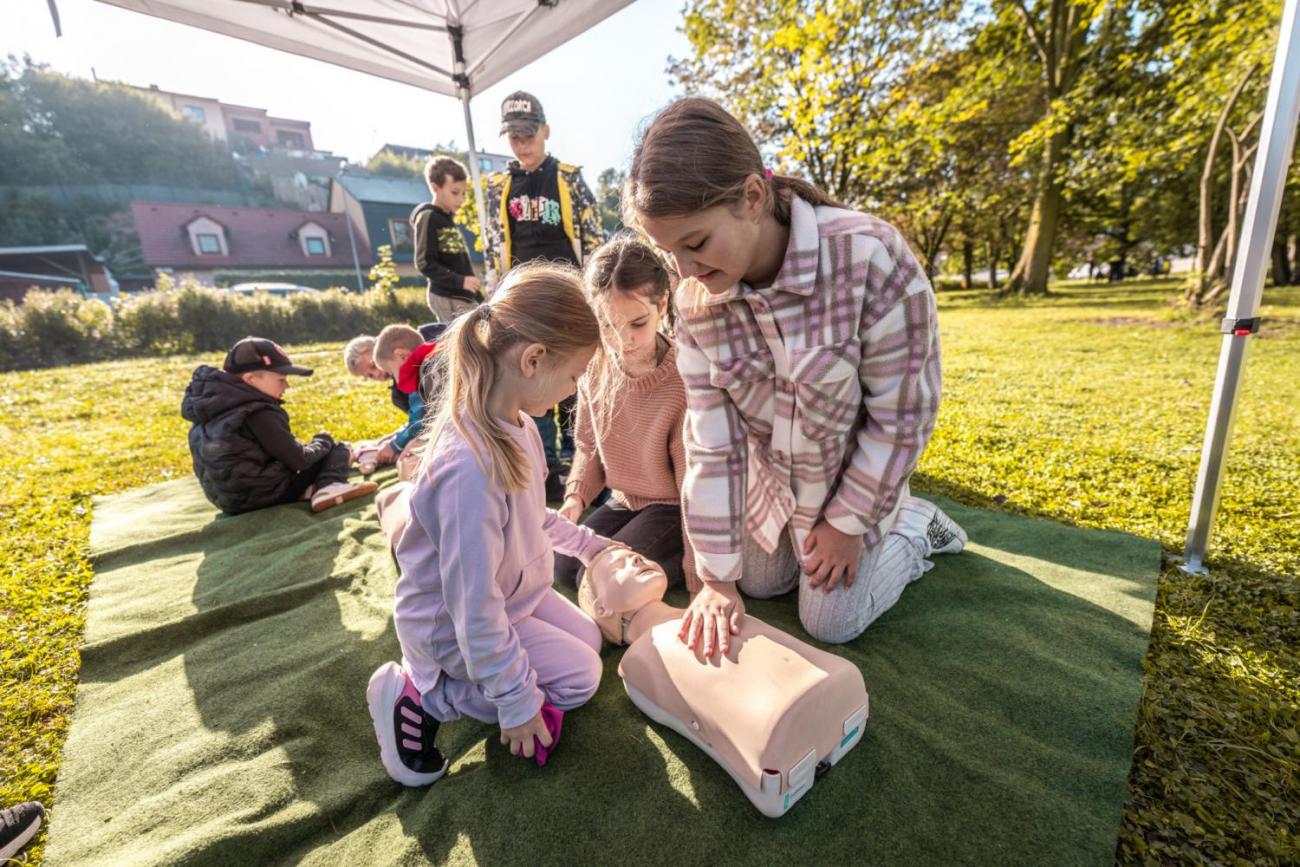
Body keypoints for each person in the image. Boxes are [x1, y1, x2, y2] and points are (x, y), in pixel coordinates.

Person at [623, 97, 967, 657]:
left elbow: (903, 415)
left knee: (831, 621)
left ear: (753, 197)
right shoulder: (693, 302)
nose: (684, 273)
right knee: (757, 583)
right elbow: (712, 445)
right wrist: (715, 578)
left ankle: (912, 524)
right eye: (669, 254)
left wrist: (849, 522)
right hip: (775, 482)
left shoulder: (869, 257)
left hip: (852, 478)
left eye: (696, 244)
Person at [365, 262, 616, 786]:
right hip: (456, 628)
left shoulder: (517, 424)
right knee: (580, 680)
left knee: (588, 643)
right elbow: (472, 606)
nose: (573, 391)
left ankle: (480, 679)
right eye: (574, 376)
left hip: (512, 596)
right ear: (532, 359)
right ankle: (427, 696)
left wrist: (590, 546)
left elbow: (532, 518)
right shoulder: (468, 470)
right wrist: (517, 701)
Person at [554, 234, 698, 592]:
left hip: (672, 508)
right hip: (624, 501)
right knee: (563, 567)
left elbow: (691, 488)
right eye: (607, 325)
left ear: (662, 305)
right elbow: (588, 446)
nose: (623, 341)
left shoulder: (684, 378)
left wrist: (701, 575)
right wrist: (575, 498)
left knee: (604, 578)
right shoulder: (594, 367)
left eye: (637, 324)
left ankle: (672, 566)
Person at [482, 91, 606, 501]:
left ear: (545, 131)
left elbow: (593, 238)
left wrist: (595, 293)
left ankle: (577, 454)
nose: (522, 143)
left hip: (568, 295)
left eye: (528, 134)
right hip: (523, 300)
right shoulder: (500, 185)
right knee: (529, 375)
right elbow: (493, 246)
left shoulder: (567, 178)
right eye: (513, 136)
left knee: (572, 373)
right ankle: (544, 464)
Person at [182, 336, 378, 514]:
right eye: (281, 379)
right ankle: (329, 487)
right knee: (337, 449)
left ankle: (308, 490)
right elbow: (299, 459)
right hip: (264, 494)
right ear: (250, 379)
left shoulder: (209, 409)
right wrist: (323, 440)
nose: (286, 386)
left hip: (229, 502)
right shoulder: (258, 411)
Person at [343, 323, 448, 468]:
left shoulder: (427, 340)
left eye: (373, 366)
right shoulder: (398, 394)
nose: (377, 374)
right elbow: (417, 417)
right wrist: (395, 438)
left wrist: (396, 444)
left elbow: (421, 420)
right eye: (370, 376)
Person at [411, 156, 484, 324]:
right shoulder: (428, 217)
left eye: (463, 193)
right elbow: (424, 262)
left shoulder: (448, 219)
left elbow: (459, 264)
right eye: (455, 193)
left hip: (463, 296)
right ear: (436, 188)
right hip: (446, 296)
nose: (461, 199)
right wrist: (460, 281)